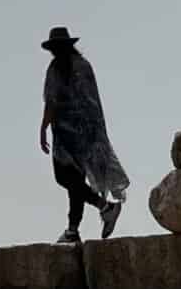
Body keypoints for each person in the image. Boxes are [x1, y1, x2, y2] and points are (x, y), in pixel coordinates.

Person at [38, 25, 128, 243]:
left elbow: (51, 101)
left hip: (68, 137)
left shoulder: (57, 68)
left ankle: (104, 207)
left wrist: (42, 129)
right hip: (88, 134)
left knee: (64, 177)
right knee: (74, 182)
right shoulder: (83, 65)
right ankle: (72, 229)